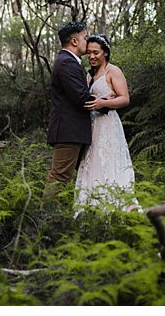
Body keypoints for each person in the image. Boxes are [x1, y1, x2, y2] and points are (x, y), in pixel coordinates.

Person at [74, 33, 141, 215]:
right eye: (89, 53)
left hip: (108, 125)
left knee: (109, 162)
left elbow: (125, 99)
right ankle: (91, 207)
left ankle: (114, 205)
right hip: (92, 126)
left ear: (105, 52)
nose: (92, 56)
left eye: (96, 52)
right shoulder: (89, 76)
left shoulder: (113, 71)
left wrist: (104, 103)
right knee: (92, 161)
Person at [43, 21, 97, 201]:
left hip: (74, 131)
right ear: (74, 41)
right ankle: (45, 217)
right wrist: (109, 103)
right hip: (68, 131)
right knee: (59, 177)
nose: (87, 42)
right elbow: (81, 97)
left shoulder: (70, 62)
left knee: (81, 175)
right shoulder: (66, 62)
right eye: (85, 38)